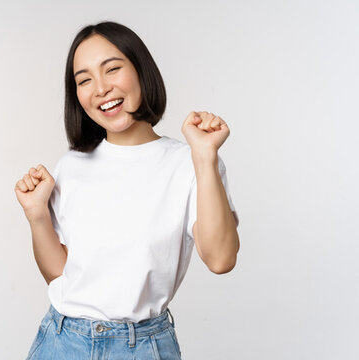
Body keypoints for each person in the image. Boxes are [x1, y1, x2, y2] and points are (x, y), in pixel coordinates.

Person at [14, 21, 240, 359]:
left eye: (112, 69)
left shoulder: (190, 162)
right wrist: (36, 216)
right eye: (85, 79)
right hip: (60, 341)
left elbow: (221, 259)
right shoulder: (71, 165)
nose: (101, 88)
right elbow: (60, 274)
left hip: (142, 348)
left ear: (140, 70)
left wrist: (205, 157)